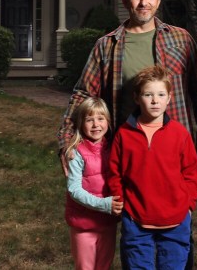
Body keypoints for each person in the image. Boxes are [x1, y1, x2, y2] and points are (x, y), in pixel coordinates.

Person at [56, 0, 197, 172]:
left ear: (158, 1)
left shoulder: (181, 39)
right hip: (126, 150)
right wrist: (66, 139)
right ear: (125, 2)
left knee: (177, 201)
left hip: (175, 150)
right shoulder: (107, 45)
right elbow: (83, 93)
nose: (144, 3)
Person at [108, 65, 197, 269]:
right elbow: (114, 172)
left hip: (176, 219)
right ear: (136, 98)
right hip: (136, 218)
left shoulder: (180, 133)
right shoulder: (124, 134)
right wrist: (121, 201)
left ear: (169, 98)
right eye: (148, 94)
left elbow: (191, 172)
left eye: (160, 94)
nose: (155, 100)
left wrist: (189, 204)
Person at [64, 97, 124, 270]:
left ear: (108, 122)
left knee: (104, 265)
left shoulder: (114, 148)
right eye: (89, 120)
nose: (96, 124)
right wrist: (104, 204)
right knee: (85, 267)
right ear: (81, 124)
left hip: (107, 223)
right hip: (84, 224)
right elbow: (74, 190)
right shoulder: (77, 152)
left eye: (100, 118)